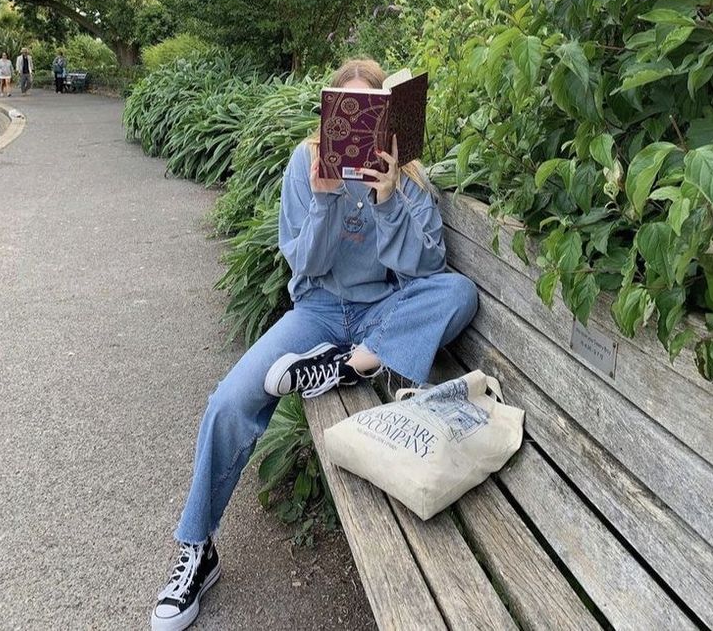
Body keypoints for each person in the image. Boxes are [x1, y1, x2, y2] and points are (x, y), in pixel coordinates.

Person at [150, 58, 478, 631]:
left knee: (458, 292)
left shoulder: (410, 178)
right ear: (329, 117)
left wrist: (387, 201)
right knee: (230, 400)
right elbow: (303, 264)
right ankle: (196, 549)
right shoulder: (305, 165)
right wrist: (326, 200)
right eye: (344, 114)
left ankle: (351, 367)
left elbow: (427, 270)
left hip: (384, 312)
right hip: (321, 311)